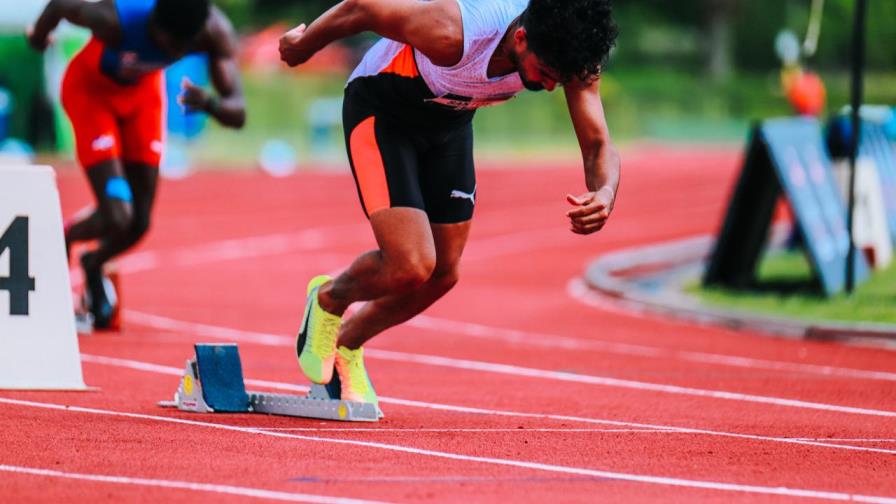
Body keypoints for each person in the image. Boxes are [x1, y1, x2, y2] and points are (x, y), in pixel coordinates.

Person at [280, 0, 620, 406]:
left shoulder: (573, 57)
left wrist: (604, 192)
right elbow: (360, 9)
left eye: (558, 81)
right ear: (521, 37)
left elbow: (598, 144)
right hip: (383, 109)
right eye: (545, 74)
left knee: (443, 273)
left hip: (449, 124)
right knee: (410, 265)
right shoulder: (452, 32)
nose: (550, 87)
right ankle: (329, 298)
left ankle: (347, 345)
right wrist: (304, 46)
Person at [28, 0, 246, 329]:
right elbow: (59, 5)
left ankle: (93, 262)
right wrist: (39, 38)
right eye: (168, 43)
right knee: (118, 213)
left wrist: (210, 104)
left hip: (143, 97)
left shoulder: (212, 31)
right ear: (154, 23)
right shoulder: (114, 19)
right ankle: (69, 233)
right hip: (92, 92)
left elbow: (238, 111)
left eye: (181, 46)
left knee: (138, 223)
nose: (174, 50)